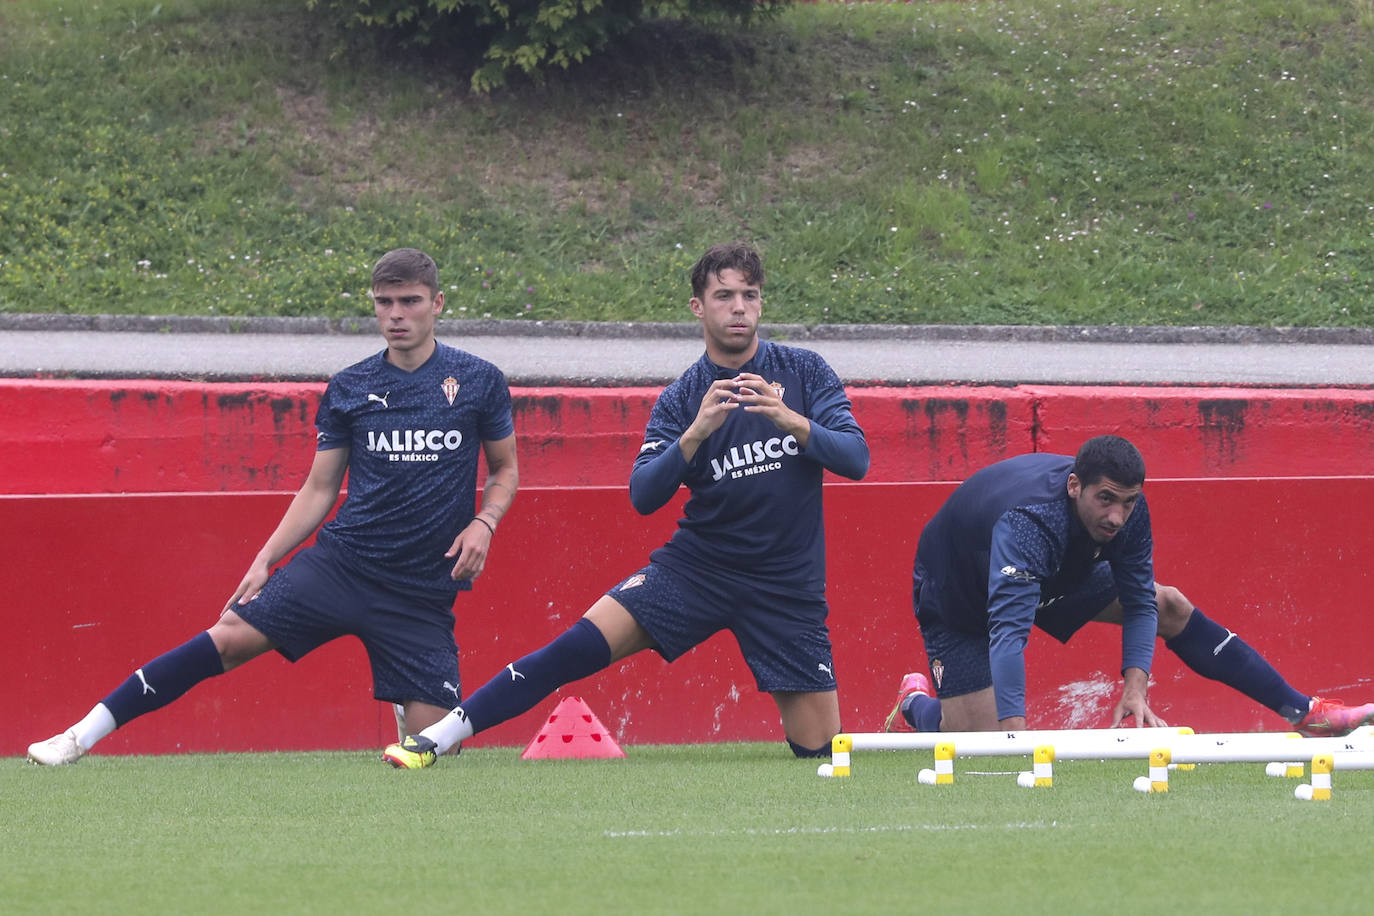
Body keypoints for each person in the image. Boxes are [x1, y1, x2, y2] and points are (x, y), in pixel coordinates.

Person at [381, 240, 870, 768]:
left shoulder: (803, 371)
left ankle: (912, 702)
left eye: (749, 295)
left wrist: (789, 420)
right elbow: (643, 496)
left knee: (819, 751)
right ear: (697, 308)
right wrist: (694, 434)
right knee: (572, 648)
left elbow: (856, 458)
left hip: (786, 587)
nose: (738, 308)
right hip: (698, 569)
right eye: (724, 295)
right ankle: (438, 737)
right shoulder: (684, 397)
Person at [27, 248, 519, 765]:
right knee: (228, 637)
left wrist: (484, 522)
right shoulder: (352, 386)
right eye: (385, 302)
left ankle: (409, 702)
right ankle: (78, 736)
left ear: (437, 303)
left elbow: (505, 470)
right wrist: (266, 558)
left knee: (438, 749)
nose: (396, 314)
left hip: (421, 590)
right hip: (342, 565)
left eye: (410, 301)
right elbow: (319, 487)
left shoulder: (478, 380)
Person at [883, 435, 1374, 737]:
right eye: (1106, 499)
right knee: (981, 739)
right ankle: (916, 705)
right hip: (960, 592)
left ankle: (1304, 712)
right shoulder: (1031, 521)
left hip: (1052, 572)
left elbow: (1141, 603)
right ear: (1075, 486)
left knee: (1169, 604)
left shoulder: (1126, 511)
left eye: (1128, 501)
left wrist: (1135, 689)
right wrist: (1017, 737)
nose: (1117, 516)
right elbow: (1008, 634)